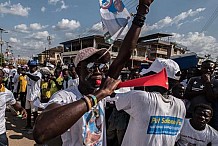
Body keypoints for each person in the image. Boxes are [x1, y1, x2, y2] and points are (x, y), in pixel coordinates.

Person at [33, 0, 155, 145]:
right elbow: (41, 133)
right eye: (91, 65)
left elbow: (124, 55)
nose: (98, 71)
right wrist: (98, 96)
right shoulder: (66, 97)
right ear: (78, 70)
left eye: (102, 66)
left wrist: (142, 11)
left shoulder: (101, 87)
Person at [114, 58, 186, 146]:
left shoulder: (140, 97)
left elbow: (115, 98)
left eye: (148, 75)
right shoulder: (181, 105)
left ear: (154, 77)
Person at [0, 69, 27, 146]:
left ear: (3, 78)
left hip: (0, 132)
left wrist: (21, 109)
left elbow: (14, 104)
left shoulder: (7, 93)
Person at [25, 60, 42, 129]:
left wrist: (27, 74)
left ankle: (36, 126)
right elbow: (27, 84)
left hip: (35, 95)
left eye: (33, 67)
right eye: (30, 66)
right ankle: (28, 125)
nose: (32, 68)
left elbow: (35, 79)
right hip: (28, 95)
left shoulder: (38, 74)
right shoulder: (28, 73)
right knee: (28, 111)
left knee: (35, 112)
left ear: (36, 67)